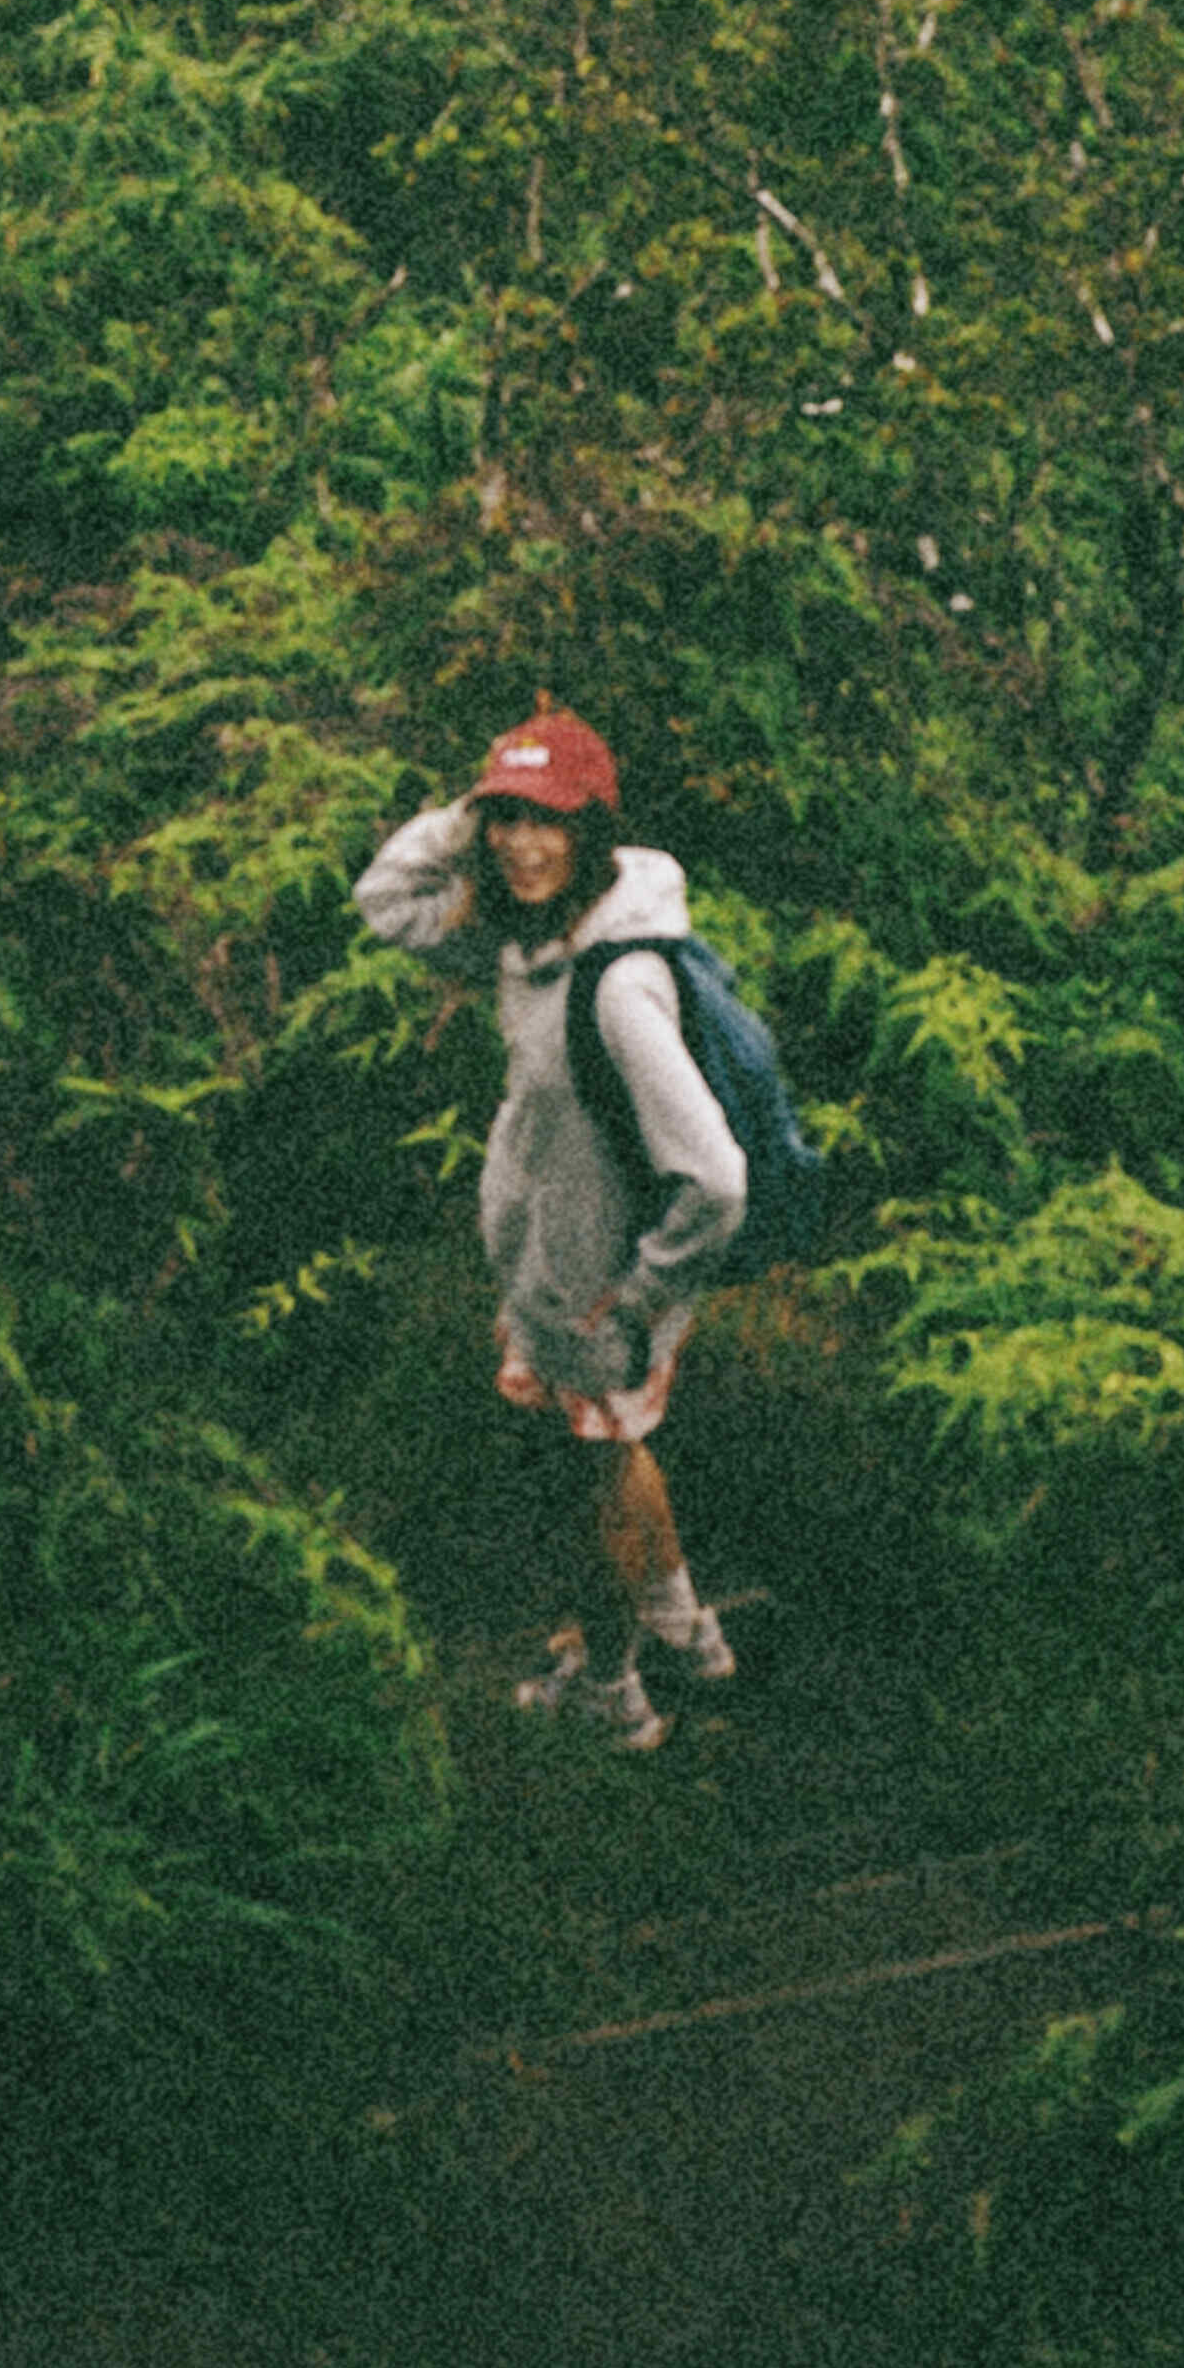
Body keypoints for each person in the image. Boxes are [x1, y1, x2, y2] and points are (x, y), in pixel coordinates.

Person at [354, 702, 745, 1749]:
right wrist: (469, 811)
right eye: (507, 820)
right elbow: (384, 901)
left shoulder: (617, 985)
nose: (524, 845)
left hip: (599, 1291)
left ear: (594, 832)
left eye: (550, 821)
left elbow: (715, 1178)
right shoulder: (526, 943)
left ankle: (613, 1693)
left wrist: (643, 1294)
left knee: (587, 1494)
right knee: (617, 1458)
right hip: (562, 1273)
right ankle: (684, 1632)